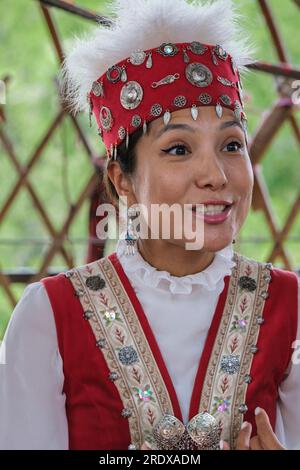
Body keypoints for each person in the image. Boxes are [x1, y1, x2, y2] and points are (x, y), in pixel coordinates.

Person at [0, 0, 299, 450]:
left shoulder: (291, 309)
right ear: (123, 181)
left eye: (233, 145)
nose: (217, 175)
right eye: (178, 149)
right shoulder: (50, 316)